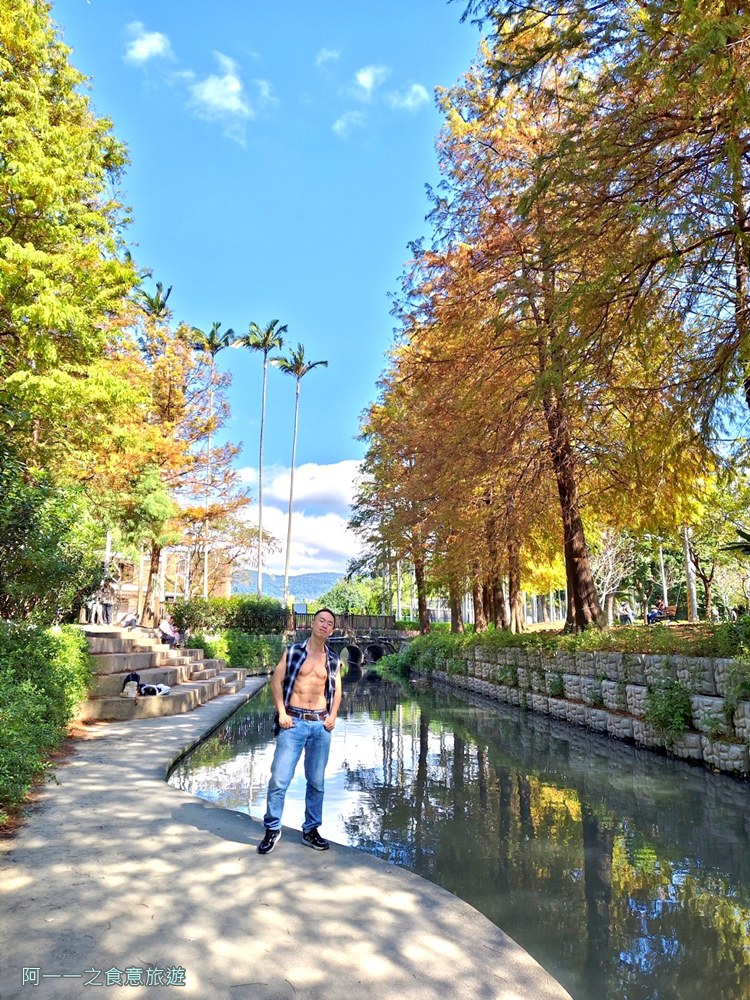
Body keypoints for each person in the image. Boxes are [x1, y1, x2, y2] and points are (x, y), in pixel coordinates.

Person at [257, 608, 342, 855]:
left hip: (320, 725)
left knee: (316, 782)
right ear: (313, 624)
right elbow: (276, 681)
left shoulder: (334, 660)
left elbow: (337, 691)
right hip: (293, 722)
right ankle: (272, 828)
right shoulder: (294, 651)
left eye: (329, 623)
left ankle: (311, 830)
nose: (325, 625)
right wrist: (282, 713)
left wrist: (333, 716)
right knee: (279, 779)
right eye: (321, 620)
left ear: (332, 630)